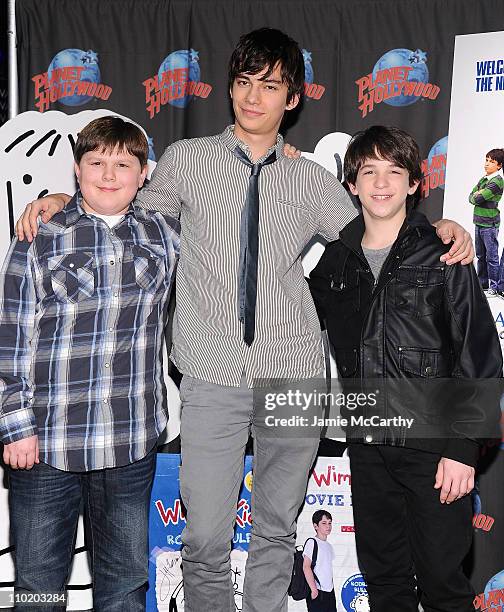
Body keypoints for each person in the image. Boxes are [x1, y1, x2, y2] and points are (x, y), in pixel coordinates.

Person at [16, 30, 473, 612]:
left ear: (292, 99)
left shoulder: (311, 179)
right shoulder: (187, 161)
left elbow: (380, 231)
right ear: (231, 89)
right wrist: (60, 201)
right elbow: (118, 206)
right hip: (211, 373)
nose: (254, 96)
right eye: (244, 82)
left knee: (278, 531)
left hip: (295, 375)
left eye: (270, 85)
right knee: (204, 537)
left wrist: (441, 229)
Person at [309, 125, 502, 612]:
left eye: (395, 171)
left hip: (435, 450)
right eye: (368, 171)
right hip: (369, 447)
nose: (381, 183)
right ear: (350, 183)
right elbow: (291, 327)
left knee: (443, 584)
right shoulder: (335, 263)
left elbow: (479, 355)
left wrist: (462, 449)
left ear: (415, 183)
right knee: (385, 580)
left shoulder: (444, 253)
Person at [0, 116, 180, 611]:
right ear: (76, 170)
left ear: (144, 173)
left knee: (124, 588)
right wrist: (15, 426)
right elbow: (11, 336)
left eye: (123, 164)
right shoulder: (39, 235)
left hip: (130, 440)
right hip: (47, 446)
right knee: (40, 591)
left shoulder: (165, 236)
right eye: (96, 162)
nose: (108, 174)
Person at [469, 148, 504, 296]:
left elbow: (477, 198)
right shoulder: (484, 179)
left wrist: (478, 194)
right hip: (478, 222)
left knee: (492, 257)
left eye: (492, 162)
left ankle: (494, 287)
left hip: (489, 224)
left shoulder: (497, 181)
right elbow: (470, 197)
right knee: (480, 256)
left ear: (499, 166)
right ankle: (482, 284)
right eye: (487, 160)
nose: (487, 164)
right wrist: (477, 194)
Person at [302, 510, 336, 612]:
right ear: (315, 526)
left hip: (329, 592)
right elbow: (306, 566)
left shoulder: (329, 546)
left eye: (330, 523)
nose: (328, 526)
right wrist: (313, 589)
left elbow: (327, 570)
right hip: (317, 591)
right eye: (324, 523)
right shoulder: (312, 542)